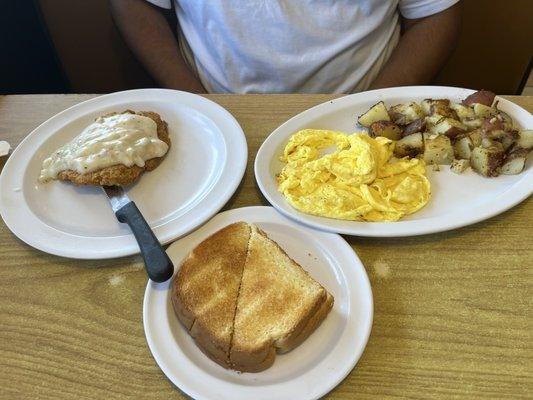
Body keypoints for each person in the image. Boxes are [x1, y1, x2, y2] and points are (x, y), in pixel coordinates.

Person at [110, 0, 461, 94]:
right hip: (215, 108)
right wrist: (196, 103)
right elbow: (135, 4)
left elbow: (434, 15)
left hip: (360, 108)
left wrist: (375, 108)